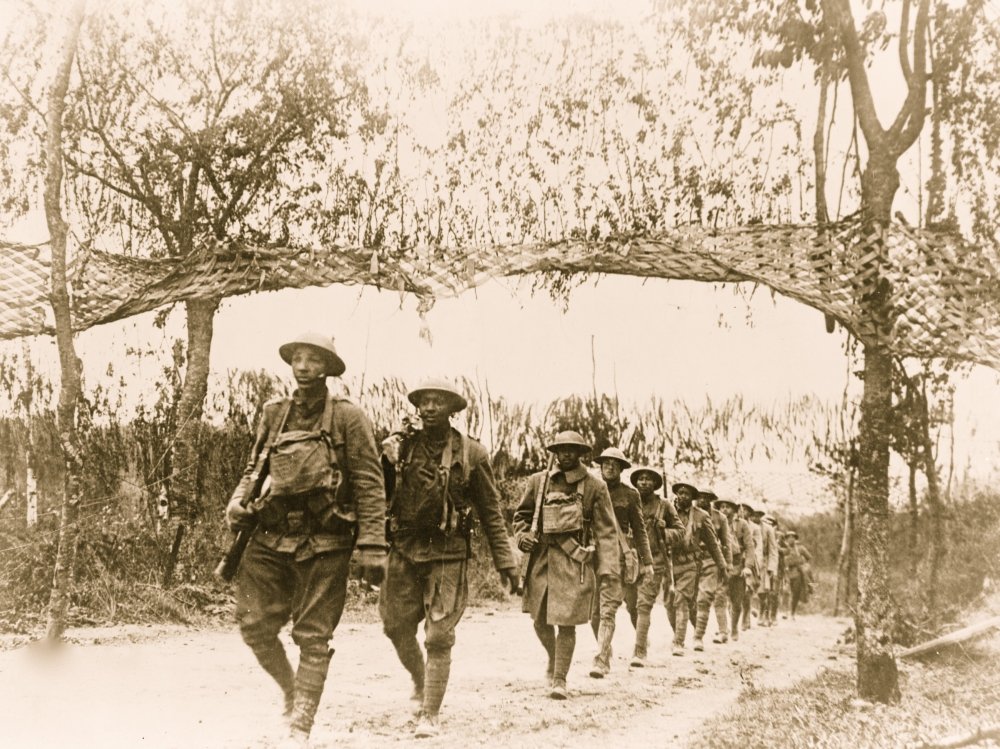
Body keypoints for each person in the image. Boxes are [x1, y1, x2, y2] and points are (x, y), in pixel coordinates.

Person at [225, 332, 387, 749]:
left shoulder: (349, 417)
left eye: (313, 360)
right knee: (254, 625)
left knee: (313, 636)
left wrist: (372, 544)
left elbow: (370, 483)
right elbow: (255, 467)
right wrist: (237, 501)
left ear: (328, 368)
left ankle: (300, 725)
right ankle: (292, 691)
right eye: (297, 358)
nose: (303, 367)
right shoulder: (274, 412)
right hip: (271, 534)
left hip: (327, 539)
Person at [379, 378, 519, 738]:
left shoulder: (471, 453)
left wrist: (506, 562)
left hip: (447, 551)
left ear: (452, 409)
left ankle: (430, 713)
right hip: (405, 547)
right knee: (394, 625)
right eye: (424, 401)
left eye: (437, 402)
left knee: (439, 633)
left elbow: (491, 511)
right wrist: (386, 460)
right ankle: (421, 679)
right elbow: (378, 493)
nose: (429, 408)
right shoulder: (401, 446)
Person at [513, 431, 619, 699]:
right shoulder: (538, 481)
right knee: (539, 620)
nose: (567, 454)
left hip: (575, 564)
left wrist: (608, 569)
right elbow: (521, 517)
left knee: (566, 624)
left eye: (572, 449)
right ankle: (554, 656)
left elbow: (607, 532)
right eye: (562, 449)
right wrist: (523, 536)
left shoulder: (595, 486)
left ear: (581, 453)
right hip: (541, 561)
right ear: (555, 452)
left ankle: (559, 678)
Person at [588, 447, 654, 678]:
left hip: (617, 555)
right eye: (606, 463)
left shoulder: (630, 495)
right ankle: (605, 648)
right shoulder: (591, 489)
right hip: (593, 555)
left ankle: (601, 660)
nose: (609, 466)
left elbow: (640, 530)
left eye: (614, 464)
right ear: (601, 466)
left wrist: (647, 562)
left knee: (608, 609)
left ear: (621, 468)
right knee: (594, 614)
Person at [629, 467, 683, 667]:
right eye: (640, 479)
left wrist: (664, 530)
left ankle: (639, 651)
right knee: (631, 605)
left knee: (643, 605)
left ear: (654, 484)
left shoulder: (664, 505)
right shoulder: (630, 501)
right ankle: (642, 638)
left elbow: (680, 531)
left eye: (648, 479)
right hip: (630, 560)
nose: (644, 482)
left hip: (655, 561)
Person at [666, 481, 726, 655]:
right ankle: (678, 633)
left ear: (692, 497)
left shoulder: (701, 516)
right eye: (680, 492)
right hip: (669, 563)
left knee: (682, 600)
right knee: (670, 603)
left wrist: (722, 565)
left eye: (687, 493)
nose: (683, 496)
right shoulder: (667, 511)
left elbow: (713, 543)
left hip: (689, 563)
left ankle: (679, 642)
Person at [715, 497, 755, 641]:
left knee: (736, 601)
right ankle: (723, 631)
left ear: (734, 509)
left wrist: (748, 566)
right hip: (721, 564)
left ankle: (734, 628)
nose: (724, 509)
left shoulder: (742, 524)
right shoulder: (716, 522)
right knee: (719, 597)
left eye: (728, 507)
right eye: (722, 507)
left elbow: (750, 546)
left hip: (737, 565)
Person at [696, 490, 733, 645]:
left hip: (713, 559)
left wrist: (728, 564)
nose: (702, 500)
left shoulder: (720, 518)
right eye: (699, 497)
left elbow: (726, 542)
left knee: (713, 597)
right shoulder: (691, 513)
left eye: (706, 498)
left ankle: (705, 635)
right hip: (693, 559)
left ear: (711, 500)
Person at [741, 502, 763, 631]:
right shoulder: (733, 524)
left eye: (745, 510)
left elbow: (758, 547)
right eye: (740, 509)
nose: (742, 512)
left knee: (747, 590)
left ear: (750, 513)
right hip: (736, 559)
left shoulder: (755, 528)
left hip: (750, 560)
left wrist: (757, 564)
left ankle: (745, 617)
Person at [756, 511, 779, 626]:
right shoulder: (747, 525)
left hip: (764, 563)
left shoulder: (768, 530)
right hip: (751, 560)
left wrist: (772, 567)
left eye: (758, 515)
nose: (755, 517)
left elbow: (773, 550)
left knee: (765, 592)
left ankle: (764, 614)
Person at [784, 531, 814, 619]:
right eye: (789, 537)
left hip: (796, 573)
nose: (791, 539)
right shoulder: (784, 548)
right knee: (785, 592)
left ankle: (792, 612)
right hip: (785, 573)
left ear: (795, 539)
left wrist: (804, 565)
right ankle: (785, 612)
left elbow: (809, 557)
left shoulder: (800, 548)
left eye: (792, 537)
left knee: (795, 593)